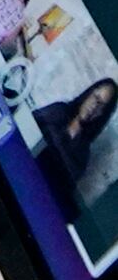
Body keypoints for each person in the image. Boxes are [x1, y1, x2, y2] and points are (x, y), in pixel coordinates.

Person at [37, 79, 118, 207]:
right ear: (89, 93)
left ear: (102, 115)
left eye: (101, 106)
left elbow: (63, 187)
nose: (94, 106)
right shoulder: (59, 110)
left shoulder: (82, 153)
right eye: (96, 98)